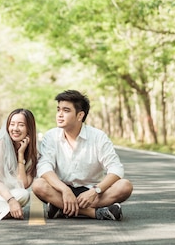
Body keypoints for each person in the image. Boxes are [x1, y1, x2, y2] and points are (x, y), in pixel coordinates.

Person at [32, 90, 133, 221]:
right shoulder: (51, 136)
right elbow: (44, 167)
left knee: (125, 186)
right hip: (61, 191)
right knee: (38, 185)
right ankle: (95, 213)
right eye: (58, 110)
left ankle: (62, 209)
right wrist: (65, 190)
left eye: (66, 110)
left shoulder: (98, 136)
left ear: (80, 115)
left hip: (92, 193)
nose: (59, 115)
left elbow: (116, 169)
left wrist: (95, 191)